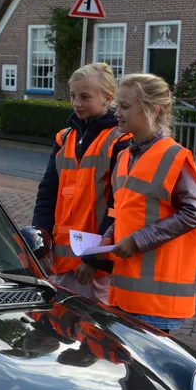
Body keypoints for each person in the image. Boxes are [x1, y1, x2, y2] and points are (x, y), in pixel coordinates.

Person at [100, 73, 196, 334]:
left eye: (125, 106)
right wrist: (110, 236)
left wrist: (138, 240)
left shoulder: (174, 156)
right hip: (127, 296)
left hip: (156, 304)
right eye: (117, 107)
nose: (117, 113)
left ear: (152, 110)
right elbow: (126, 210)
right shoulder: (126, 156)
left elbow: (194, 212)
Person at [31, 63, 129, 304]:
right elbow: (48, 193)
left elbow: (119, 206)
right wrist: (40, 241)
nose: (76, 103)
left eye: (85, 97)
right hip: (62, 260)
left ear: (108, 97)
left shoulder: (120, 141)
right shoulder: (65, 137)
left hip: (94, 268)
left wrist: (95, 259)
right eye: (73, 96)